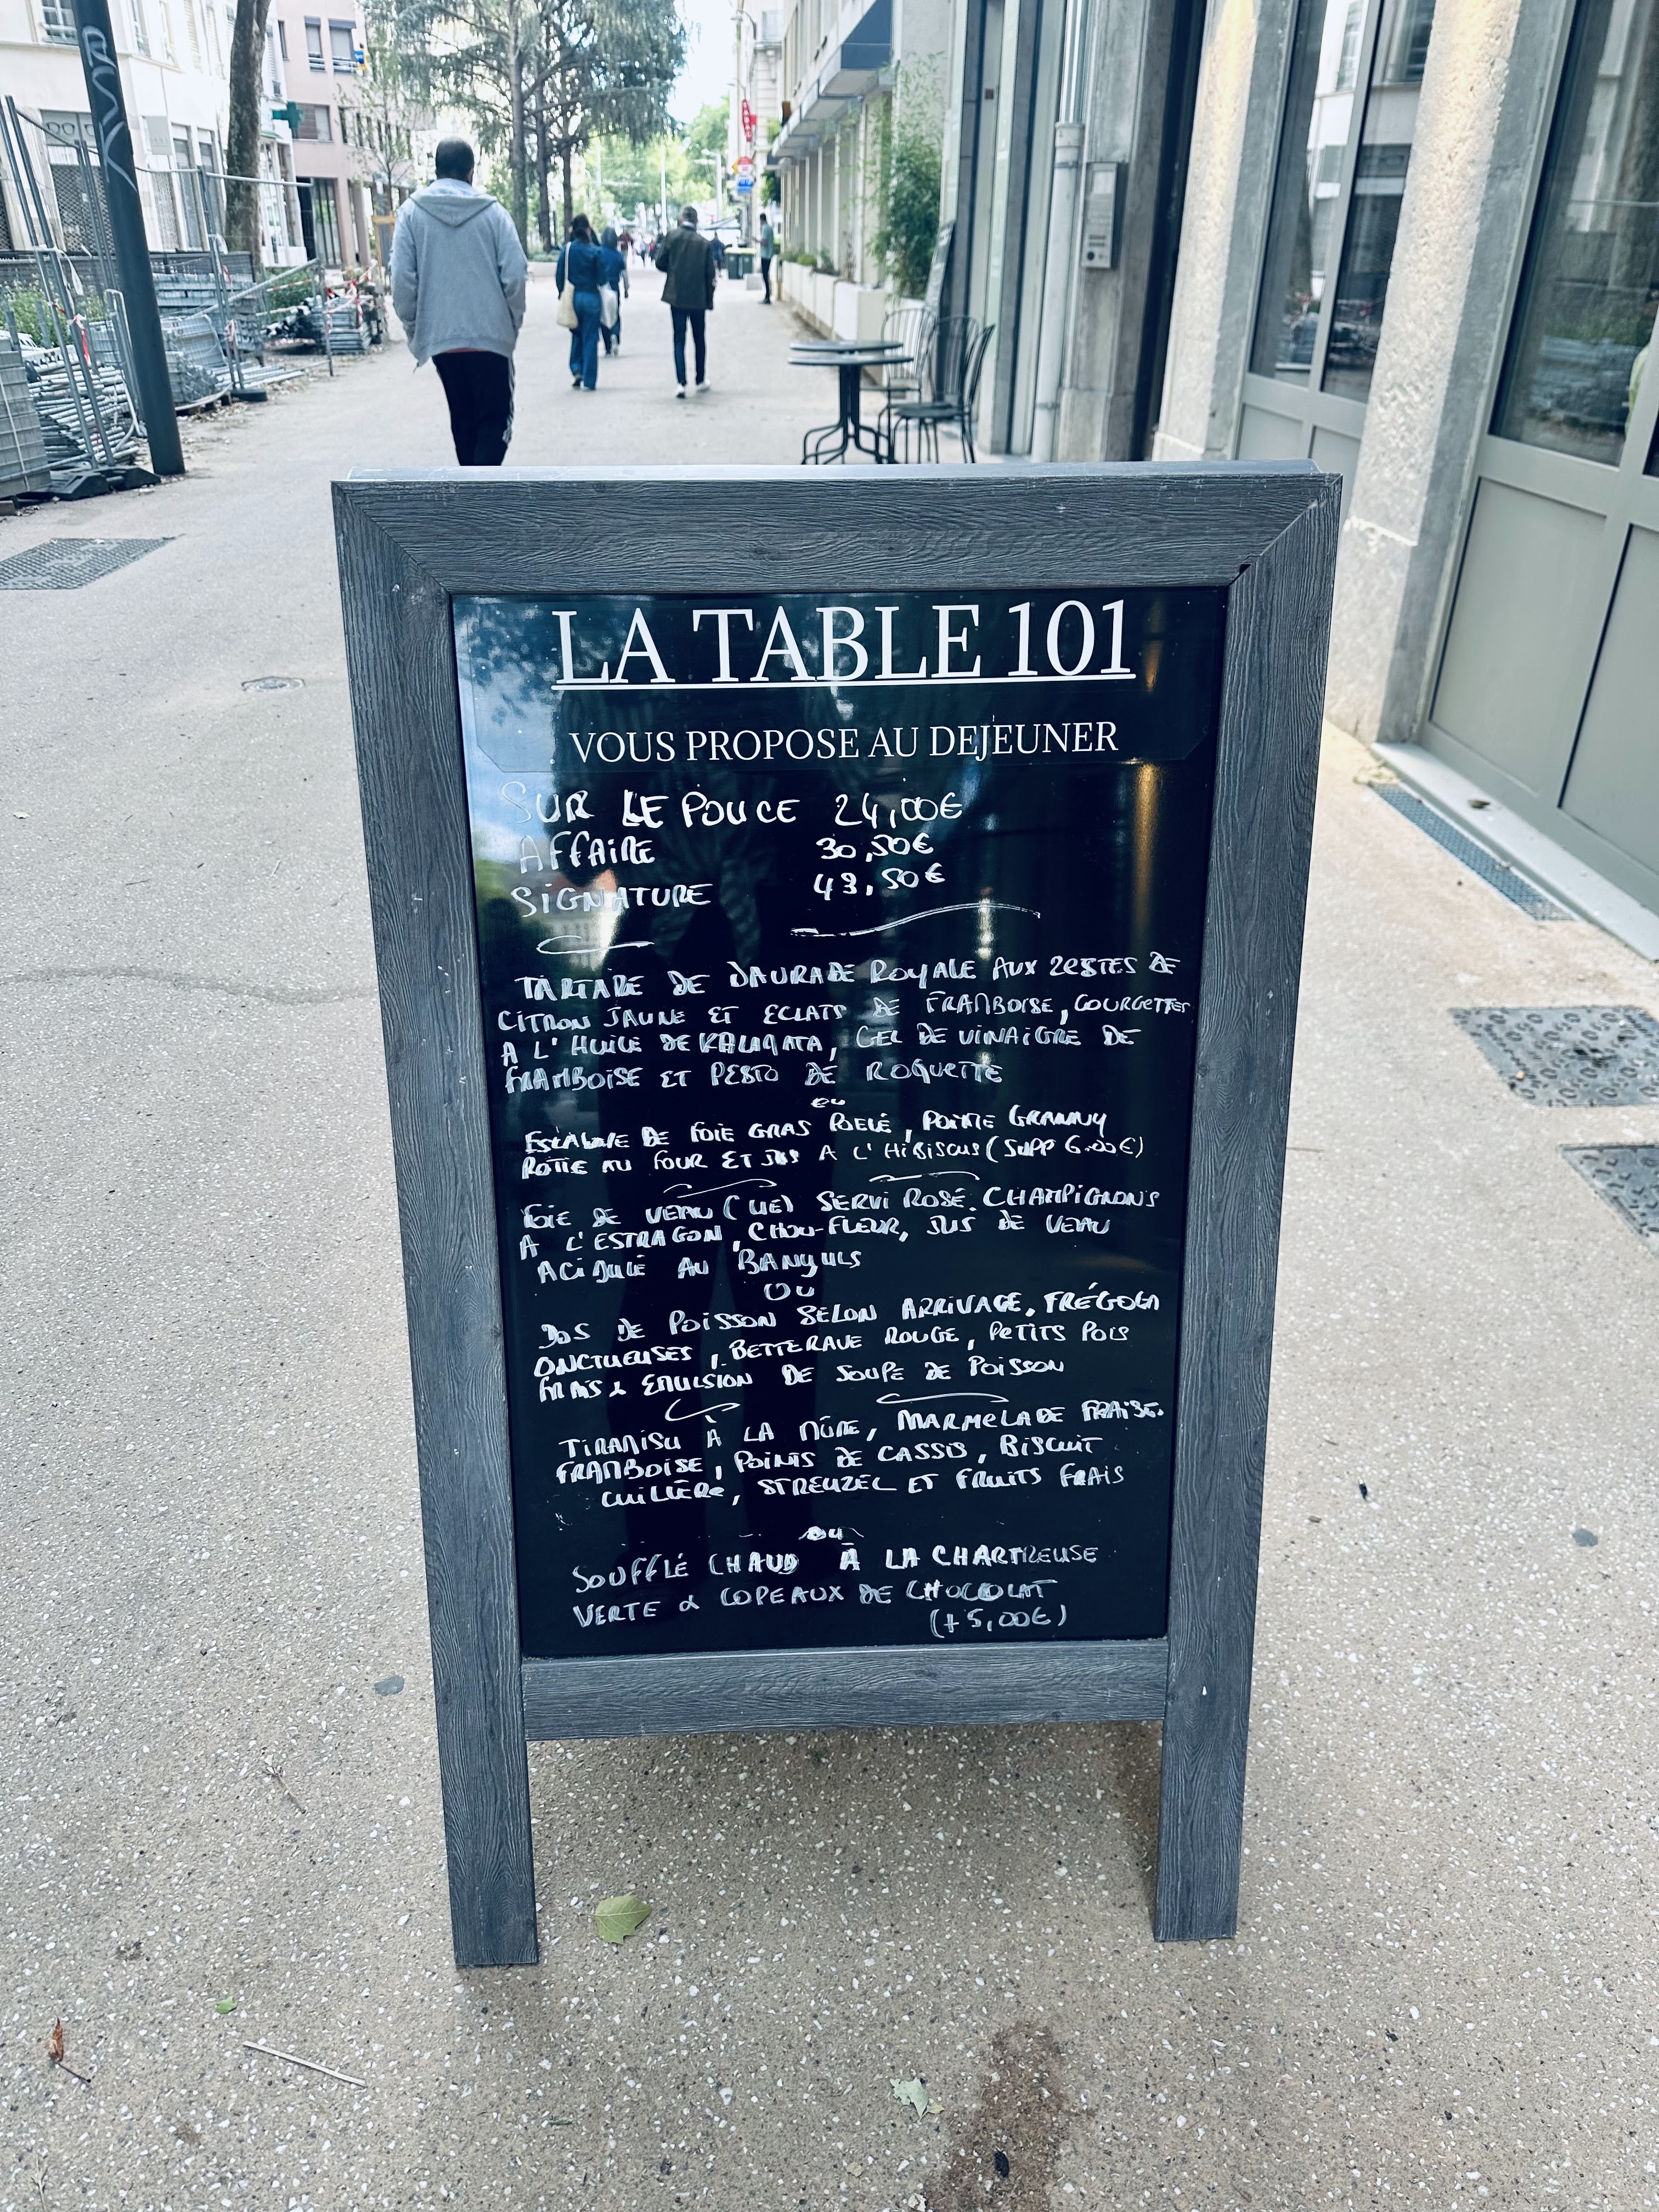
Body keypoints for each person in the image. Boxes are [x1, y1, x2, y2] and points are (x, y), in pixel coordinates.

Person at [391, 137, 526, 465]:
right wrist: (512, 323)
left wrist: (414, 328)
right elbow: (515, 274)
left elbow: (401, 280)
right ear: (470, 172)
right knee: (494, 425)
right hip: (491, 337)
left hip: (442, 340)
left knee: (463, 421)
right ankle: (481, 496)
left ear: (436, 170)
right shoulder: (494, 214)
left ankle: (470, 491)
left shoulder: (411, 214)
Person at [653, 204, 716, 397]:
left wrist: (674, 270)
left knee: (679, 339)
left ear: (682, 219)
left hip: (677, 296)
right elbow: (711, 275)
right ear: (696, 221)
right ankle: (700, 379)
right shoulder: (704, 244)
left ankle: (681, 383)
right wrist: (710, 300)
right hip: (698, 298)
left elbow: (659, 262)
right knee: (699, 339)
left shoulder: (672, 237)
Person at [555, 213, 605, 392]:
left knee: (576, 333)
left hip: (573, 297)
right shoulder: (596, 251)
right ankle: (589, 381)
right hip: (591, 298)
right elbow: (602, 278)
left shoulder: (567, 250)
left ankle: (577, 368)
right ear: (588, 230)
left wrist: (562, 294)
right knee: (591, 337)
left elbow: (560, 275)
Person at [598, 224, 628, 356]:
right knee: (615, 314)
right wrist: (626, 289)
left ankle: (607, 347)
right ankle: (615, 335)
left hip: (602, 288)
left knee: (604, 316)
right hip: (615, 288)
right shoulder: (618, 255)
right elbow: (625, 274)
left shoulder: (598, 253)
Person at [758, 212, 775, 305]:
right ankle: (767, 296)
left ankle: (768, 297)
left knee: (765, 276)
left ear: (761, 220)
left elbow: (764, 242)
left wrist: (757, 241)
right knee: (766, 275)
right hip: (770, 255)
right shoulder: (770, 228)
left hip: (765, 255)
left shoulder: (765, 228)